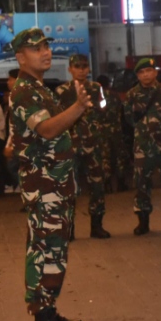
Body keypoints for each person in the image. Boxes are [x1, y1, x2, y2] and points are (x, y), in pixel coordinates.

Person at [9, 28, 89, 321]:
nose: (44, 52)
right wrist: (78, 108)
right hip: (44, 188)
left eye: (45, 46)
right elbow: (45, 129)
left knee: (54, 249)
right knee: (44, 250)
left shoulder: (39, 88)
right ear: (20, 58)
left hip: (54, 186)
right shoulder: (25, 91)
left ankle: (48, 312)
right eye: (35, 48)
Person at [124, 57, 161, 235]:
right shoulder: (132, 95)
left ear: (155, 72)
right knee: (141, 185)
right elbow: (129, 119)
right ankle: (143, 223)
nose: (146, 75)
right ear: (138, 75)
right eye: (142, 72)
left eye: (149, 71)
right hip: (143, 147)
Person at [56, 55, 110, 239]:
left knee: (97, 185)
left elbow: (104, 109)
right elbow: (57, 118)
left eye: (84, 66)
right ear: (70, 69)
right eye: (77, 66)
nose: (81, 70)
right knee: (69, 188)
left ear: (88, 69)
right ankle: (69, 229)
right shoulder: (62, 91)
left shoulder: (96, 88)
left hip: (93, 144)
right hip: (71, 145)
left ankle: (97, 226)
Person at [95, 75, 126, 193]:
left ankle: (107, 183)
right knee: (119, 155)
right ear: (108, 83)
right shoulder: (115, 95)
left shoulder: (96, 96)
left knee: (104, 157)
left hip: (102, 130)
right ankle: (121, 183)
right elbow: (121, 110)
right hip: (116, 128)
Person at [3, 69, 22, 195]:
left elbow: (17, 124)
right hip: (17, 140)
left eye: (10, 79)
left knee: (12, 167)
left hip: (21, 140)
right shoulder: (13, 97)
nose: (7, 82)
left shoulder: (19, 97)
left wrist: (10, 145)